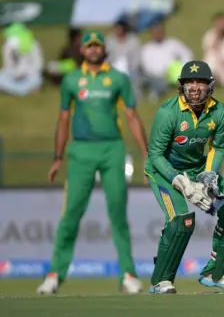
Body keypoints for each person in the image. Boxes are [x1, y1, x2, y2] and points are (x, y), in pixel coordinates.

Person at [37, 31, 149, 295]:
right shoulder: (72, 80)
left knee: (118, 213)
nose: (94, 50)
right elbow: (63, 119)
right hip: (81, 152)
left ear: (104, 49)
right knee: (71, 214)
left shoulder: (118, 79)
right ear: (82, 51)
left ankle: (128, 274)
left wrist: (147, 156)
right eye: (89, 46)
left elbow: (132, 116)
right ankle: (55, 274)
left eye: (98, 45)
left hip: (112, 149)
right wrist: (57, 157)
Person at [144, 60, 224, 294]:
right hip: (162, 170)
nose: (195, 88)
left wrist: (209, 175)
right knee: (182, 220)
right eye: (189, 82)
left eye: (201, 82)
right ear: (181, 86)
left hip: (197, 167)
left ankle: (215, 272)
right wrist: (179, 181)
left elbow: (218, 147)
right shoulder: (167, 112)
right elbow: (154, 154)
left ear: (210, 86)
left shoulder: (219, 111)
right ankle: (160, 280)